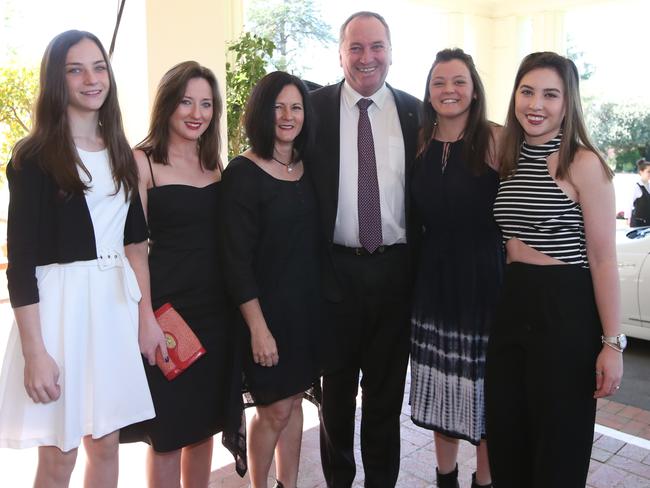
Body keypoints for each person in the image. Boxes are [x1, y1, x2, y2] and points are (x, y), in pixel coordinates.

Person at [0, 30, 155, 487]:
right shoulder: (33, 157)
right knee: (60, 453)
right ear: (57, 80)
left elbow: (136, 245)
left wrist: (146, 316)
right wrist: (34, 352)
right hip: (60, 311)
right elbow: (21, 262)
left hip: (113, 308)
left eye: (99, 66)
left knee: (106, 445)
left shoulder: (123, 153)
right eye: (76, 69)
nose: (91, 79)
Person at [488, 51, 624, 488]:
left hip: (566, 314)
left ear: (568, 103)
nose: (536, 104)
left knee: (558, 450)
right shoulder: (506, 157)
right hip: (511, 308)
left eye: (550, 94)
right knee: (508, 442)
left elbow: (603, 260)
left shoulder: (584, 164)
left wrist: (612, 344)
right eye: (527, 91)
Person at [119, 61, 246, 486]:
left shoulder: (214, 162)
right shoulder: (142, 161)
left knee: (203, 427)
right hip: (168, 312)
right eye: (187, 101)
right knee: (168, 434)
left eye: (206, 103)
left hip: (217, 312)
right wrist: (146, 319)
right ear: (168, 104)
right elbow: (133, 249)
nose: (197, 113)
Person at [309, 11, 421, 488]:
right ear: (340, 54)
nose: (366, 57)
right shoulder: (312, 110)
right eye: (355, 47)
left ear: (391, 53)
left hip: (397, 273)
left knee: (384, 399)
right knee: (334, 399)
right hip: (333, 274)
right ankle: (338, 481)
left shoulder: (419, 113)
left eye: (376, 47)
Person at [220, 71, 321, 488]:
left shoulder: (307, 166)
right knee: (274, 410)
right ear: (262, 111)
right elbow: (235, 260)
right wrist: (258, 328)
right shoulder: (243, 172)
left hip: (305, 313)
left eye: (296, 107)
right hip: (263, 316)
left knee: (295, 403)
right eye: (278, 106)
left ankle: (288, 484)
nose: (287, 115)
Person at [409, 48, 501, 488]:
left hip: (485, 282)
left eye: (458, 81)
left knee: (483, 396)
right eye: (439, 82)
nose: (449, 90)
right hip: (433, 281)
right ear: (428, 92)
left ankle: (483, 482)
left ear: (474, 89)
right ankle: (446, 478)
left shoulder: (497, 141)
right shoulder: (419, 143)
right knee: (442, 391)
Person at [630, 157, 650, 227]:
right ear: (641, 172)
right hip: (638, 224)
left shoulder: (649, 186)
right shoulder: (636, 187)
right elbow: (629, 204)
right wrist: (628, 218)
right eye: (648, 171)